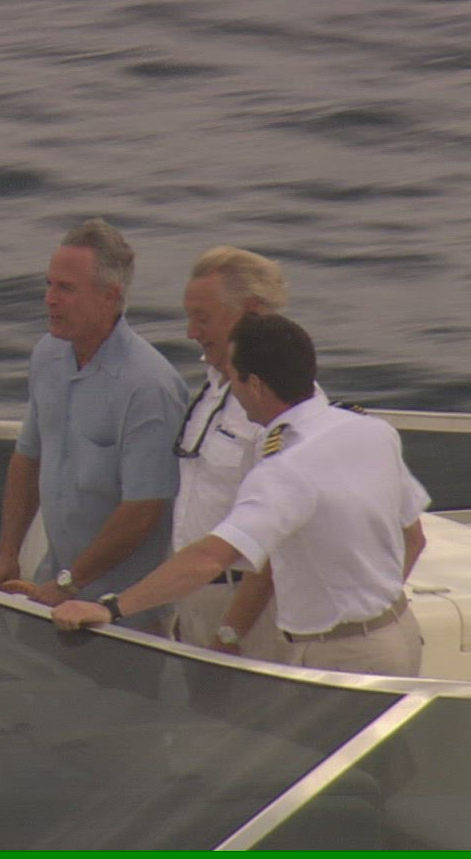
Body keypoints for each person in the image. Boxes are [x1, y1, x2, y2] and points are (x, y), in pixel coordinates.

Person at [52, 313, 430, 677]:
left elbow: (209, 559)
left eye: (232, 377)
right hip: (398, 632)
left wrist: (114, 609)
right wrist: (372, 613)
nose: (231, 388)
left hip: (342, 657)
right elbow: (414, 538)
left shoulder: (285, 468)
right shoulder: (373, 431)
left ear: (256, 385)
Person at [0, 217, 189, 632]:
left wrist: (72, 583)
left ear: (110, 296)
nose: (50, 300)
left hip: (124, 610)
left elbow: (144, 508)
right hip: (52, 586)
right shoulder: (47, 356)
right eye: (49, 285)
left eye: (66, 288)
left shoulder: (148, 387)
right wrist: (8, 553)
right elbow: (28, 457)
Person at [170, 246, 310, 662]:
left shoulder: (279, 406)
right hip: (197, 596)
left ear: (250, 312)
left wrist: (230, 633)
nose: (191, 332)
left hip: (248, 614)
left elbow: (275, 542)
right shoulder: (215, 389)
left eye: (203, 319)